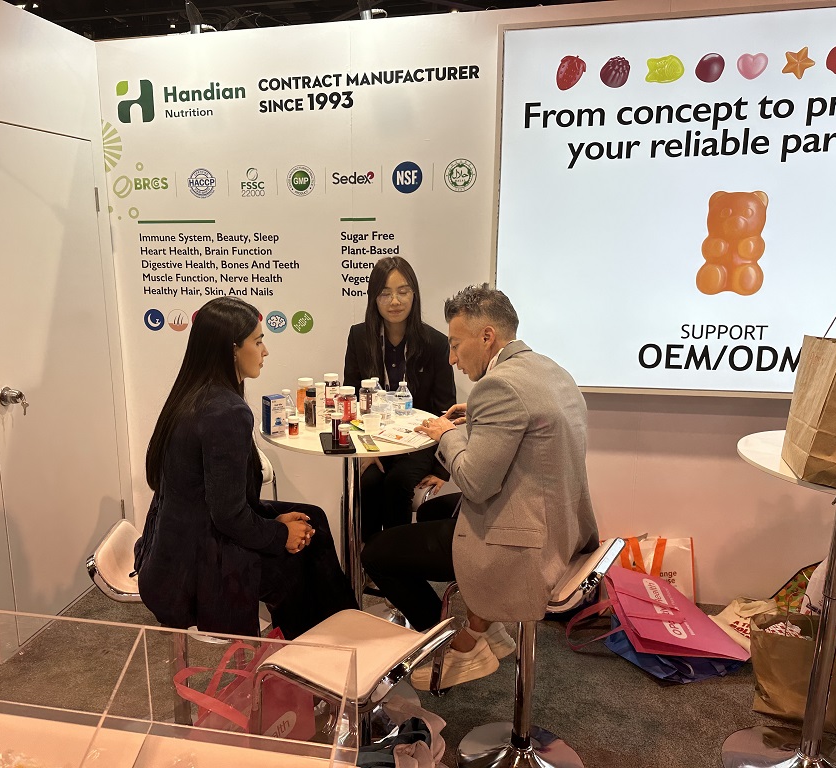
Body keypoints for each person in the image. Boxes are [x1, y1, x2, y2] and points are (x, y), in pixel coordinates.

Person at [362, 283, 599, 688]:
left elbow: (474, 483)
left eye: (456, 345)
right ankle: (484, 624)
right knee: (433, 510)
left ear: (487, 336)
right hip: (563, 525)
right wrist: (476, 416)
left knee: (377, 553)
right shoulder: (548, 369)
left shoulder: (499, 386)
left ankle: (455, 643)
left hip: (524, 544)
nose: (452, 358)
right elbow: (528, 429)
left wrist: (446, 434)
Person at [136, 297, 357, 639]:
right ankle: (325, 646)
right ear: (233, 350)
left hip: (175, 548)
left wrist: (273, 522)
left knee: (312, 519)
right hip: (198, 566)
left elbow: (220, 500)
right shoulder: (226, 412)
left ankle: (339, 634)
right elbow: (227, 515)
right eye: (257, 341)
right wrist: (279, 534)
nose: (265, 351)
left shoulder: (192, 395)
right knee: (300, 561)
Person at [343, 256, 456, 541]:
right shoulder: (359, 337)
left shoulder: (435, 343)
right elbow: (351, 397)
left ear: (414, 294)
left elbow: (446, 409)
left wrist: (442, 469)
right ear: (374, 298)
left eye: (403, 291)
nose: (395, 301)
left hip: (419, 442)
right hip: (373, 440)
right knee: (368, 483)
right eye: (385, 293)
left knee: (398, 483)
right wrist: (365, 450)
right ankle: (367, 555)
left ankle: (393, 558)